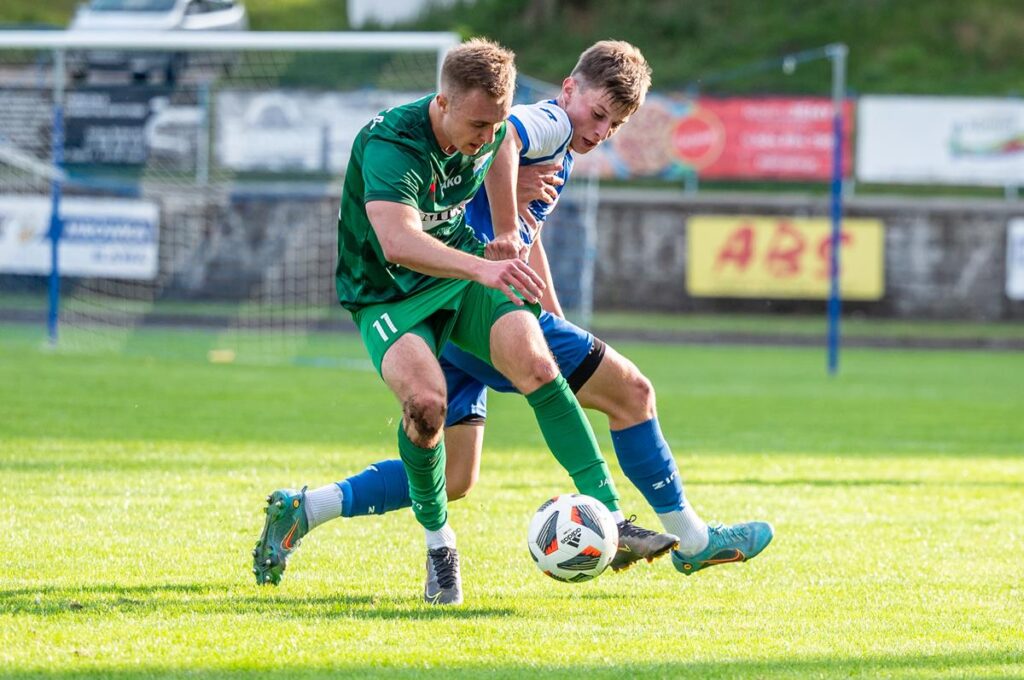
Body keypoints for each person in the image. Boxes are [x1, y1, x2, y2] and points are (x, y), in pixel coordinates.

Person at [251, 38, 677, 605]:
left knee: (537, 364)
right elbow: (398, 242)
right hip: (387, 293)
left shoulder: (492, 129)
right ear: (443, 103)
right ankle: (439, 547)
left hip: (463, 270)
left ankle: (614, 521)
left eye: (495, 124)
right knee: (425, 409)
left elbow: (502, 147)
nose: (486, 136)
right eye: (477, 125)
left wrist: (506, 230)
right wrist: (485, 265)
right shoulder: (391, 144)